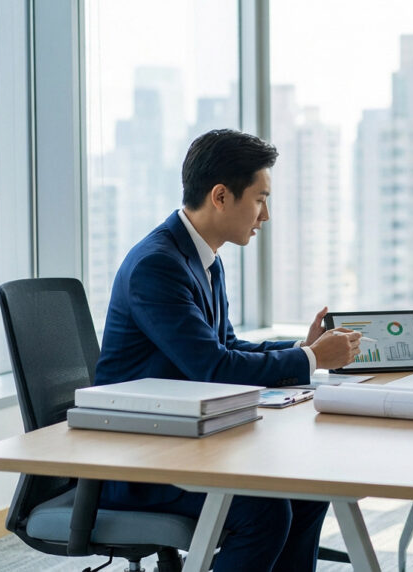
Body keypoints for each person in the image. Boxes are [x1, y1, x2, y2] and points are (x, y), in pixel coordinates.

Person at [95, 129, 362, 571]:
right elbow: (215, 367)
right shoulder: (157, 266)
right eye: (260, 199)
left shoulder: (201, 258)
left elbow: (227, 346)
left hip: (185, 440)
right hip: (139, 462)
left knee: (309, 492)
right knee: (264, 512)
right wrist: (315, 359)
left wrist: (303, 347)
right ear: (220, 196)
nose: (266, 215)